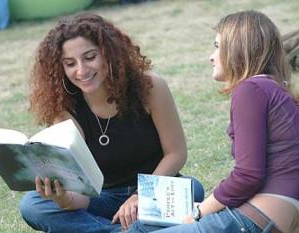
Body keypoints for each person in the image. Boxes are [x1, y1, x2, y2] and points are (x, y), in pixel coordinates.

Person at [126, 10, 299, 233]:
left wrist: (198, 213)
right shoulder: (275, 91)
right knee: (141, 226)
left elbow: (248, 176)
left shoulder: (250, 90)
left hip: (255, 220)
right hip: (273, 218)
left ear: (238, 49)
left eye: (217, 47)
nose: (211, 56)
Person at [19, 13, 204, 233]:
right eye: (70, 63)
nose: (81, 70)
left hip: (156, 190)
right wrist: (62, 199)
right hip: (102, 198)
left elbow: (176, 153)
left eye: (89, 57)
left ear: (109, 53)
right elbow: (78, 195)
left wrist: (140, 196)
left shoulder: (150, 87)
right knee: (33, 205)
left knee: (193, 189)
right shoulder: (64, 109)